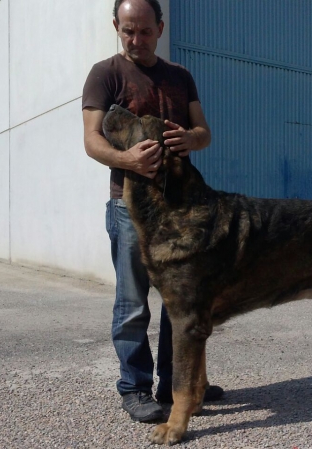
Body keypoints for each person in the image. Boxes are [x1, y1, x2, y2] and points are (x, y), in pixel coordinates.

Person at [82, 0, 223, 422]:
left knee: (180, 302)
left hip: (182, 211)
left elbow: (204, 132)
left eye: (144, 31)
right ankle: (135, 387)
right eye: (127, 30)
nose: (135, 40)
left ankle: (174, 384)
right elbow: (92, 140)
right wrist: (129, 161)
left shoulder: (180, 75)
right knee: (133, 303)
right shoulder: (104, 74)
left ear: (160, 28)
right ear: (116, 27)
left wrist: (191, 139)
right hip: (131, 210)